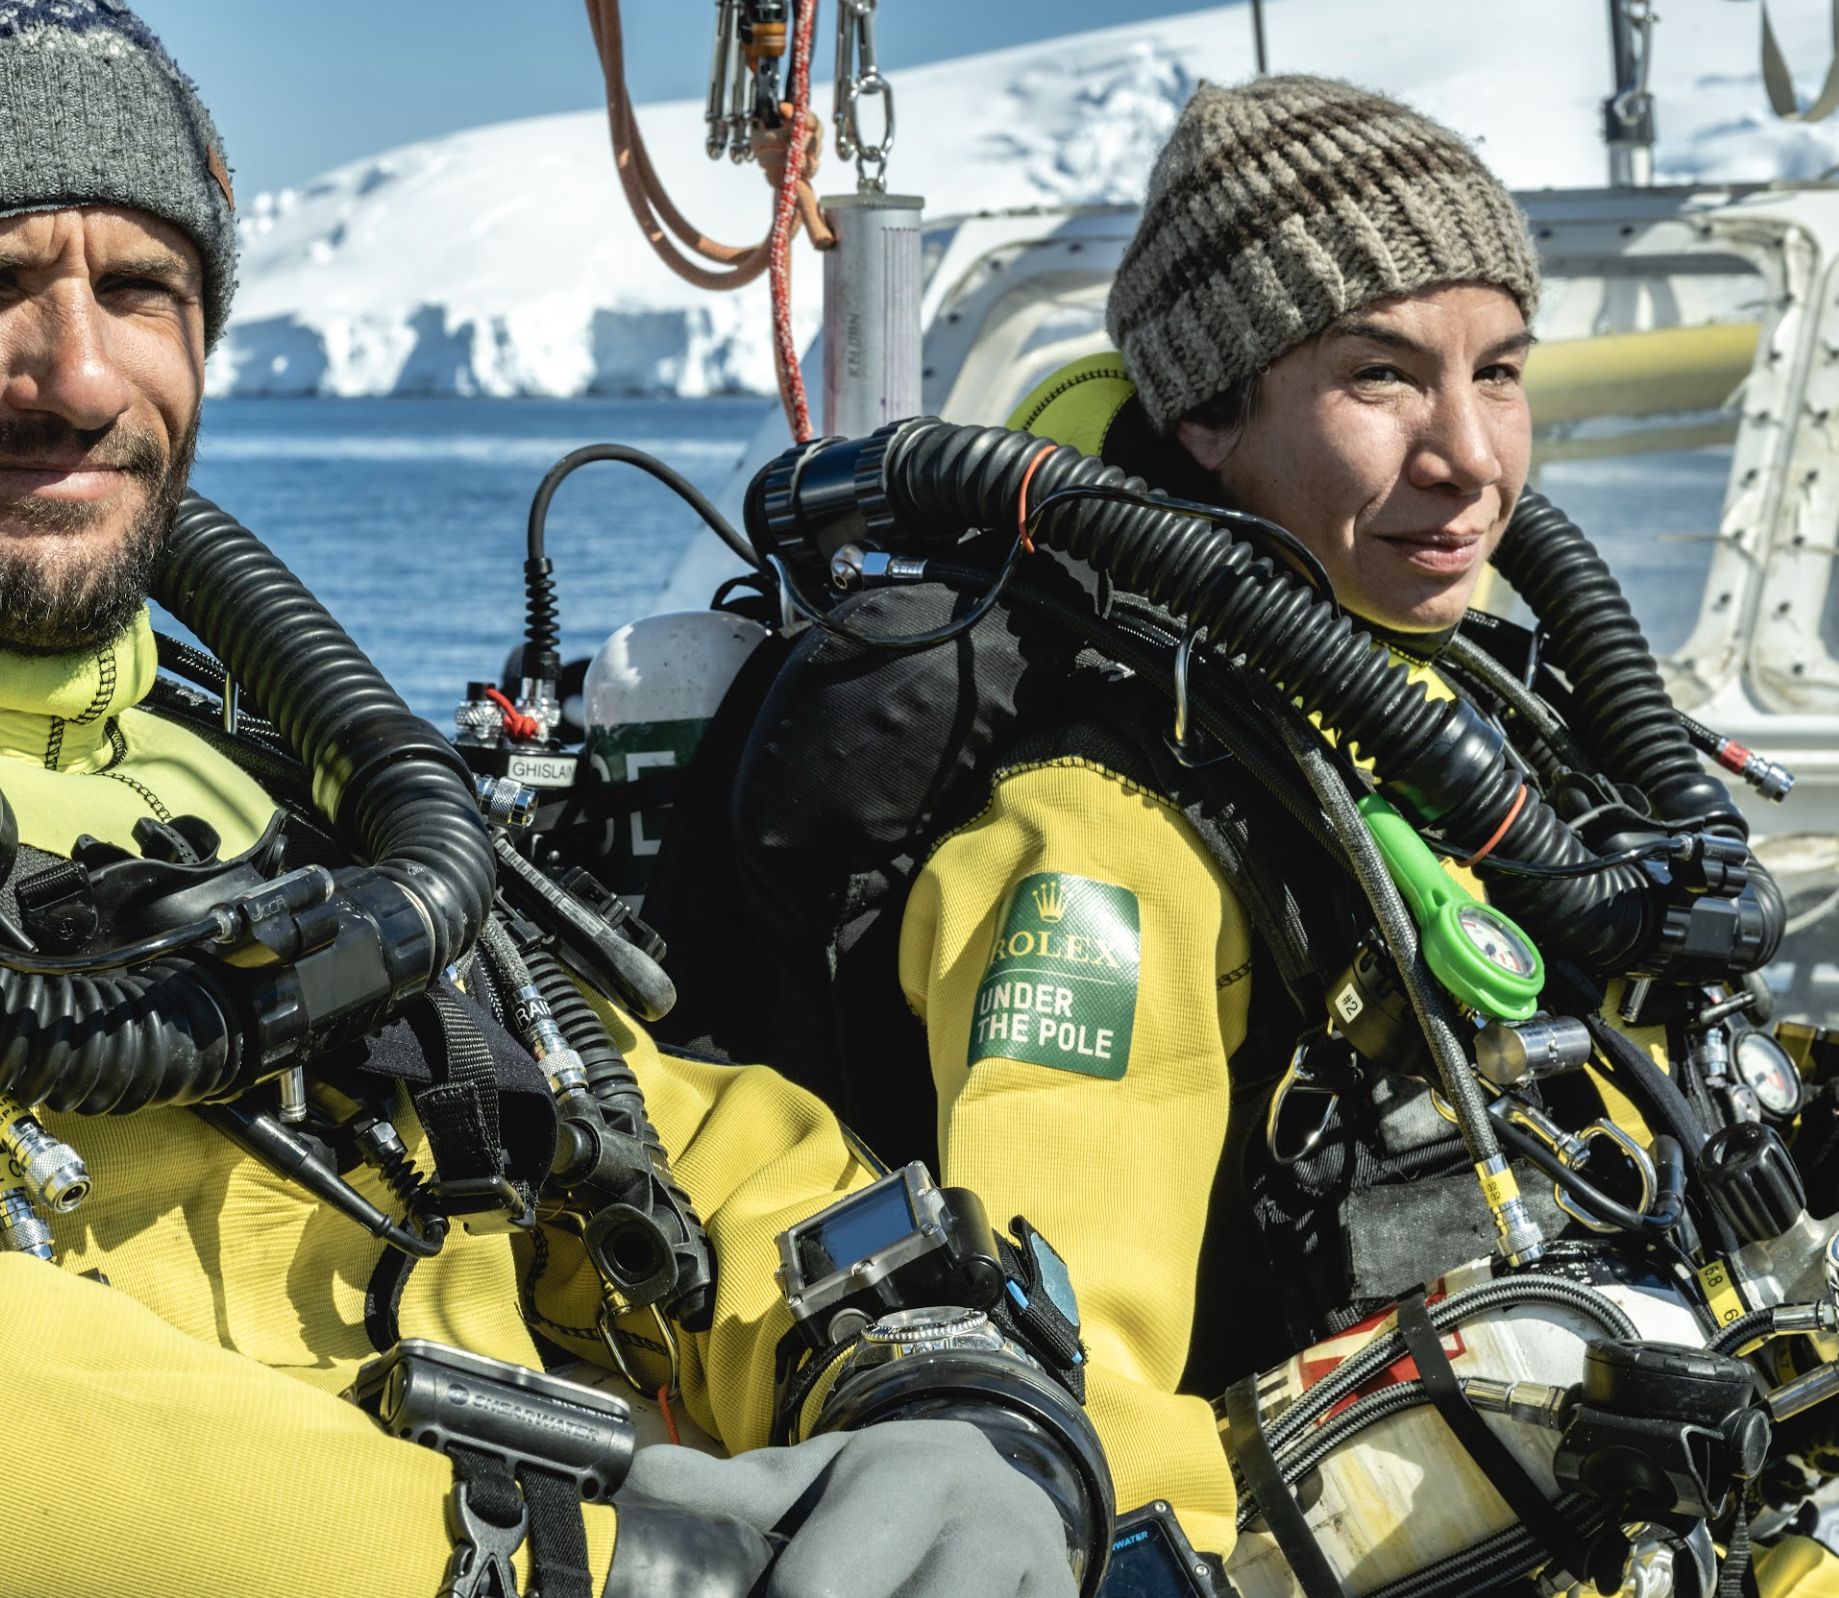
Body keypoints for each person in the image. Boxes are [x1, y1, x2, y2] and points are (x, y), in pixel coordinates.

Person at [0, 5, 1096, 1596]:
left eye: (145, 287)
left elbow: (664, 1129)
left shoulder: (234, 758)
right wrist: (611, 1561)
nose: (81, 377)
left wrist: (933, 1375)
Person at [644, 72, 1808, 1594]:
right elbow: (1064, 1405)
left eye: (1500, 374)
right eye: (1383, 380)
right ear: (1205, 413)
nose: (1471, 456)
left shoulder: (1433, 702)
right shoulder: (1103, 840)